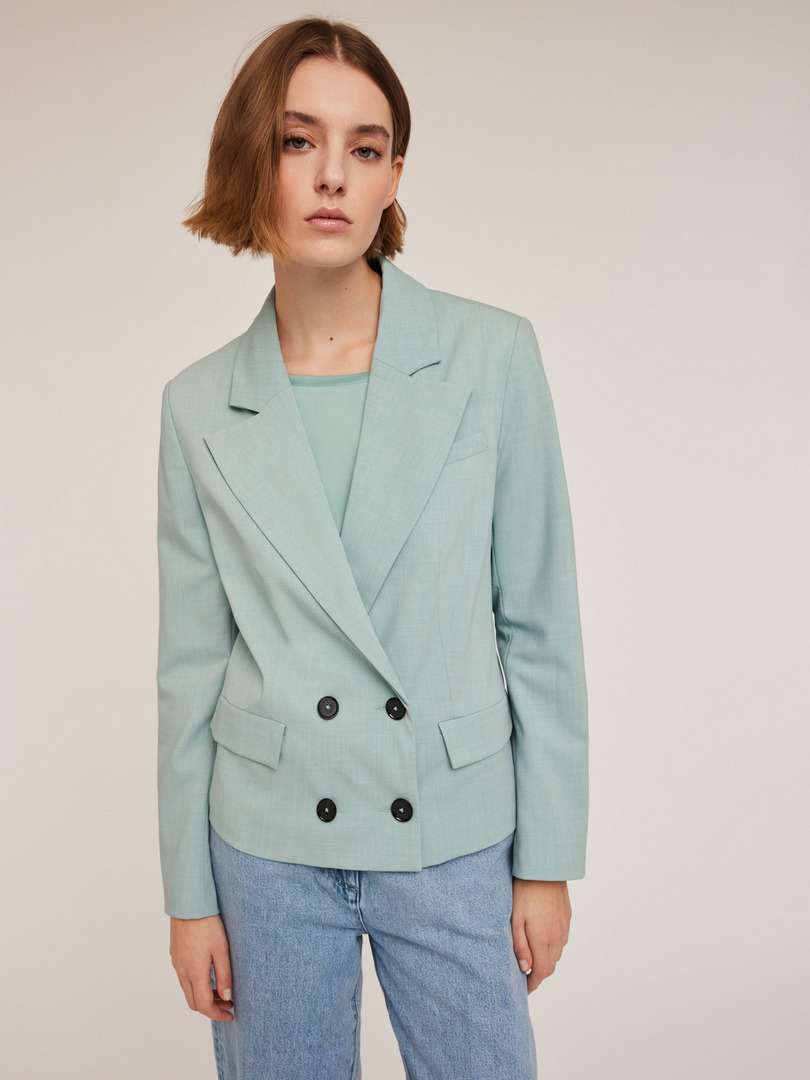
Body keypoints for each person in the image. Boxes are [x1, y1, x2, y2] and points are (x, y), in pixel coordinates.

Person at [156, 16, 588, 1080]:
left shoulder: (492, 357)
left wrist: (547, 862)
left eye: (365, 147)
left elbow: (539, 621)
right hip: (266, 849)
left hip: (449, 828)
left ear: (395, 175)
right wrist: (189, 895)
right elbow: (190, 667)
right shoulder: (199, 404)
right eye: (298, 140)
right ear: (253, 157)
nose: (331, 177)